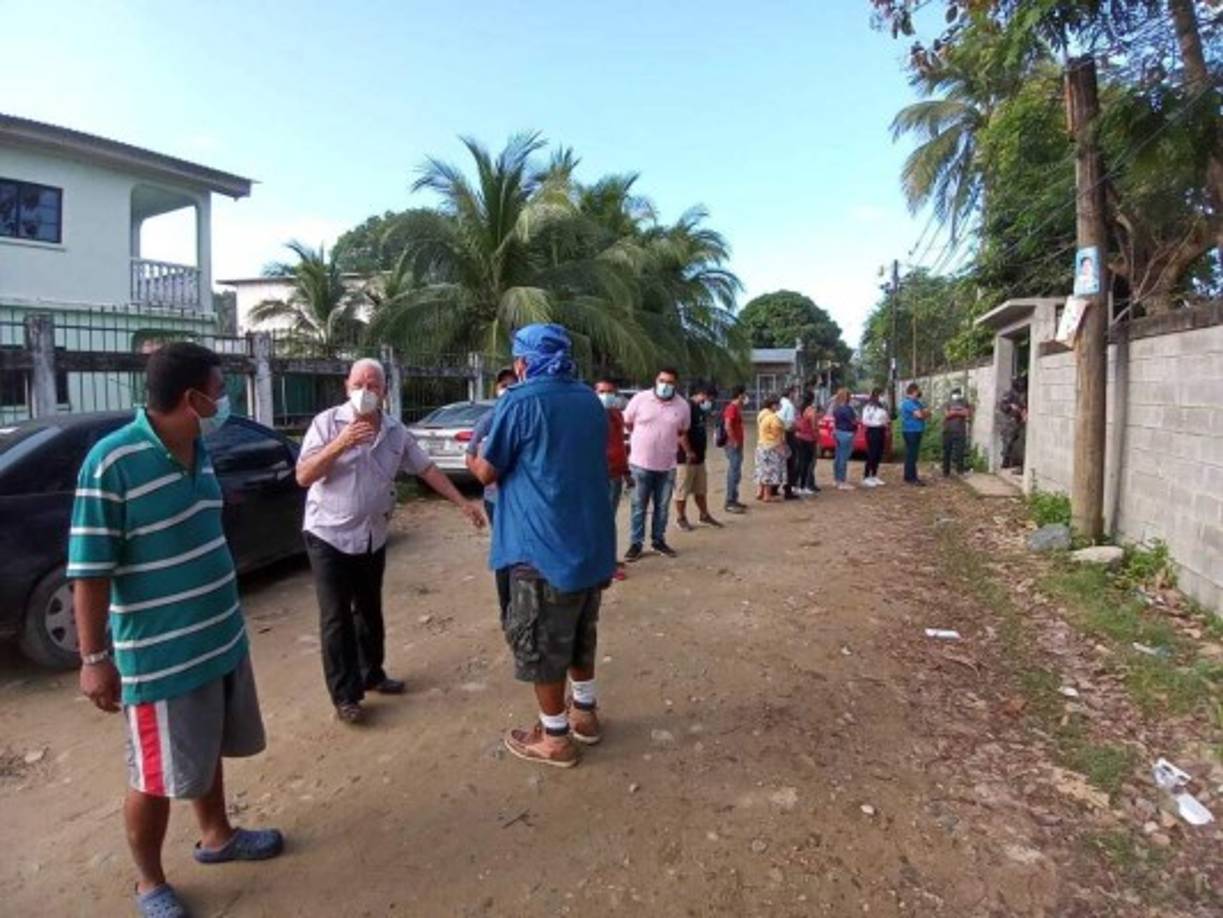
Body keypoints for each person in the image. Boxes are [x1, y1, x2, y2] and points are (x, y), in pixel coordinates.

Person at [69, 342, 283, 918]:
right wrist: (93, 658)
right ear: (191, 398)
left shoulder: (197, 450)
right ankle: (150, 883)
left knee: (206, 745)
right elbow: (88, 573)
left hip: (218, 639)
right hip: (160, 657)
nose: (223, 401)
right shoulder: (111, 463)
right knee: (155, 774)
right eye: (217, 391)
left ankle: (218, 836)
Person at [297, 358, 485, 724]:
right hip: (328, 533)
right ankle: (345, 696)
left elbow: (426, 468)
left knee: (369, 609)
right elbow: (304, 475)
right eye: (359, 384)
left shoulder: (396, 431)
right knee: (336, 617)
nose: (365, 392)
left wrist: (464, 503)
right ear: (346, 387)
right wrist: (341, 443)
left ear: (384, 391)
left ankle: (373, 673)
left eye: (373, 385)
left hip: (372, 534)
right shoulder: (326, 424)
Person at [469, 324, 616, 768]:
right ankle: (584, 714)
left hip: (541, 545)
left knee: (543, 643)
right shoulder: (590, 401)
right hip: (589, 544)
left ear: (523, 363)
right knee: (580, 635)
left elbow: (487, 473)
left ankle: (554, 737)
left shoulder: (520, 400)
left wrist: (471, 458)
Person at [623, 367, 693, 561]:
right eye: (662, 380)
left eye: (670, 382)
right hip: (640, 464)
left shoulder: (682, 406)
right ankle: (636, 544)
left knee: (662, 508)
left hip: (667, 466)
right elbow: (627, 423)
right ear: (656, 380)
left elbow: (682, 431)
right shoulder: (640, 399)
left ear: (675, 384)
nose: (665, 385)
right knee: (638, 507)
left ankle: (658, 541)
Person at [466, 367, 519, 613]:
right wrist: (485, 475)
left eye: (512, 384)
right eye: (503, 385)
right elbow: (470, 456)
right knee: (505, 549)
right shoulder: (488, 420)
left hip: (521, 499)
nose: (507, 389)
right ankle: (506, 607)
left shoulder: (524, 415)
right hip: (496, 498)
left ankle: (522, 604)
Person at [594, 377, 632, 580]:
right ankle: (603, 564)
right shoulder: (588, 416)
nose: (606, 396)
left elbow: (620, 446)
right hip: (598, 476)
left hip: (615, 475)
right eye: (602, 391)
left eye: (610, 392)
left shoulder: (617, 415)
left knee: (609, 520)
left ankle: (608, 558)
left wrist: (626, 472)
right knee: (600, 521)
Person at [675, 383, 723, 531]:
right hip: (686, 458)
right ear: (701, 394)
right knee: (682, 491)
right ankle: (681, 518)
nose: (710, 401)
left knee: (701, 490)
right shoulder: (686, 408)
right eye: (709, 398)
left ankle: (704, 515)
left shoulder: (700, 410)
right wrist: (688, 451)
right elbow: (681, 433)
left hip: (699, 457)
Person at [754, 394, 787, 502]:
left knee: (761, 469)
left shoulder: (762, 414)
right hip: (771, 446)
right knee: (770, 471)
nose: (779, 407)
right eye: (778, 405)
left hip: (761, 445)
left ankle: (759, 491)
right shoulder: (773, 418)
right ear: (773, 405)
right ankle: (767, 495)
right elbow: (777, 434)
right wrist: (782, 447)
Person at [721, 385, 749, 514]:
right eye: (744, 395)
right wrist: (734, 441)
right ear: (740, 395)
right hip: (733, 445)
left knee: (736, 472)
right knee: (733, 472)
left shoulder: (736, 408)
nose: (745, 397)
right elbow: (727, 426)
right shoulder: (731, 408)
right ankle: (730, 501)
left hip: (737, 443)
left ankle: (734, 498)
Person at [900, 382, 931, 486]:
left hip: (917, 430)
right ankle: (911, 478)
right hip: (910, 431)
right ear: (913, 391)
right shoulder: (908, 403)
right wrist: (923, 413)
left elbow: (927, 412)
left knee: (913, 455)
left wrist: (923, 413)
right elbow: (920, 415)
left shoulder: (916, 402)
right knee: (911, 455)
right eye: (917, 391)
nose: (919, 393)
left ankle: (910, 476)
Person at [998, 376, 1028, 474]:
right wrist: (1010, 407)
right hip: (1010, 422)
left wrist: (1023, 411)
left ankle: (1016, 463)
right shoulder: (1009, 394)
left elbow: (1024, 407)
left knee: (1019, 443)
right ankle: (1005, 462)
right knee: (1008, 442)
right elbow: (1002, 406)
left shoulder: (1024, 394)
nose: (1020, 384)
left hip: (1021, 422)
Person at [942, 386, 974, 478]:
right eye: (955, 394)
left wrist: (954, 412)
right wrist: (959, 412)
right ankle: (945, 472)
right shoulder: (947, 402)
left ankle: (960, 471)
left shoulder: (964, 402)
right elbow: (947, 414)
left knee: (960, 452)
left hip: (960, 431)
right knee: (947, 451)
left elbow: (967, 413)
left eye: (958, 394)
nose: (956, 395)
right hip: (948, 430)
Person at [831, 388, 858, 491]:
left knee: (838, 457)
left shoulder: (836, 408)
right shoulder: (848, 409)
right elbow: (853, 421)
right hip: (847, 433)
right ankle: (842, 481)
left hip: (838, 432)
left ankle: (836, 479)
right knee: (844, 458)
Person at [861, 388, 889, 487]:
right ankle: (866, 476)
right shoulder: (868, 408)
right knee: (872, 454)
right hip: (872, 431)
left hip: (881, 430)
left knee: (878, 454)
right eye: (877, 396)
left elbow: (886, 419)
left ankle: (874, 475)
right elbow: (865, 421)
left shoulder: (882, 408)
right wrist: (877, 423)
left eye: (880, 396)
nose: (879, 398)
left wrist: (884, 422)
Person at [793, 392, 818, 495]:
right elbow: (814, 426)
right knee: (807, 464)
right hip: (808, 440)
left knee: (799, 462)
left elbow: (795, 423)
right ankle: (803, 487)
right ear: (812, 400)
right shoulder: (811, 411)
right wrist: (817, 436)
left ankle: (795, 486)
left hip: (798, 437)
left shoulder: (798, 409)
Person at [778, 385, 800, 499]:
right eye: (796, 393)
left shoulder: (779, 404)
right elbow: (790, 425)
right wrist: (797, 427)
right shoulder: (789, 406)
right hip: (787, 435)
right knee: (790, 463)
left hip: (777, 435)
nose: (796, 395)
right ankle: (788, 490)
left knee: (778, 462)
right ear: (791, 393)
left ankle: (773, 488)